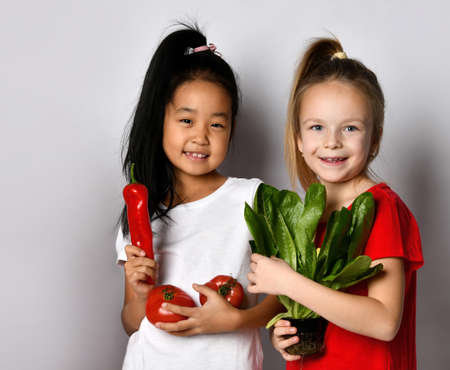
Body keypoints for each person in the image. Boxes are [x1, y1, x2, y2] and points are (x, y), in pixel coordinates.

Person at [246, 38, 423, 370]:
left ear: (375, 139)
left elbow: (384, 322)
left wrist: (288, 282)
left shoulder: (380, 208)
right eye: (316, 127)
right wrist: (285, 335)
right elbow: (319, 312)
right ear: (298, 139)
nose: (331, 142)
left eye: (350, 128)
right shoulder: (308, 217)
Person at [115, 24, 282, 370]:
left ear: (232, 128)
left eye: (216, 125)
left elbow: (290, 294)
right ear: (161, 121)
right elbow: (133, 322)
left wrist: (237, 320)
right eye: (186, 120)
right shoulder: (139, 212)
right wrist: (141, 291)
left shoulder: (253, 199)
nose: (201, 137)